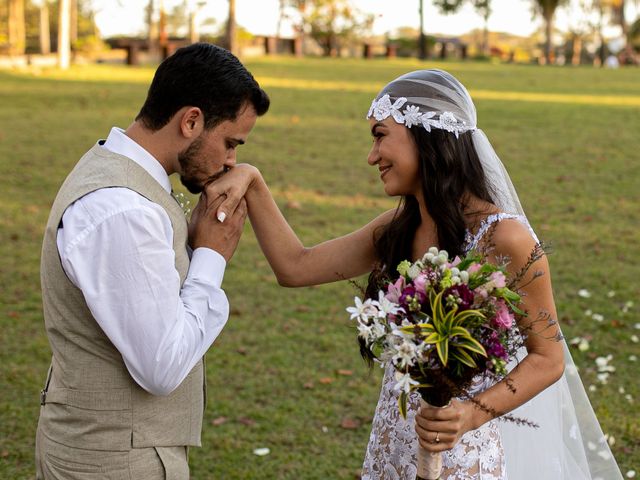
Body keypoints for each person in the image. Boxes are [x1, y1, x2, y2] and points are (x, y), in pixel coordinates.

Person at [206, 69, 623, 479]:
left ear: (426, 133)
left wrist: (471, 414)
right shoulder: (397, 228)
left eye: (380, 135)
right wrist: (254, 182)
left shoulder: (506, 238)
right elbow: (295, 266)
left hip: (459, 452)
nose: (372, 156)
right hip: (391, 444)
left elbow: (547, 359)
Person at [36, 43, 269, 479]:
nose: (232, 160)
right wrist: (211, 256)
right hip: (112, 460)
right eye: (230, 142)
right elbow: (162, 366)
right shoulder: (123, 210)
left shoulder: (118, 174)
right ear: (191, 120)